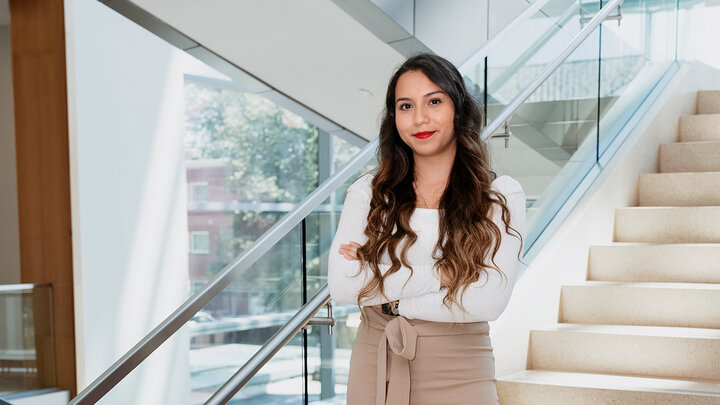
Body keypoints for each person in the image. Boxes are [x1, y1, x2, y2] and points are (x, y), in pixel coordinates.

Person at [327, 53, 526, 405]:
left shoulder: (499, 195)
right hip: (376, 356)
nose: (419, 118)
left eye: (434, 101)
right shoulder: (368, 192)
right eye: (405, 106)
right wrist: (449, 273)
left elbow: (488, 300)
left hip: (461, 366)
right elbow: (344, 285)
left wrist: (383, 280)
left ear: (458, 110)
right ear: (394, 118)